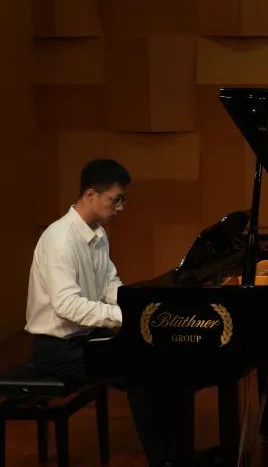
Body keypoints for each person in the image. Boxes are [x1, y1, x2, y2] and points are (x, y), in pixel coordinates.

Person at [26, 159, 194, 467]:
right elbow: (67, 305)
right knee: (141, 370)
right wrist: (124, 317)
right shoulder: (59, 239)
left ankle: (181, 456)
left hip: (87, 338)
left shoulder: (98, 234)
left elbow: (109, 285)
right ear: (91, 194)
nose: (121, 207)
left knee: (166, 359)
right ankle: (163, 461)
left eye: (123, 199)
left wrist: (138, 309)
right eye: (116, 199)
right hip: (58, 348)